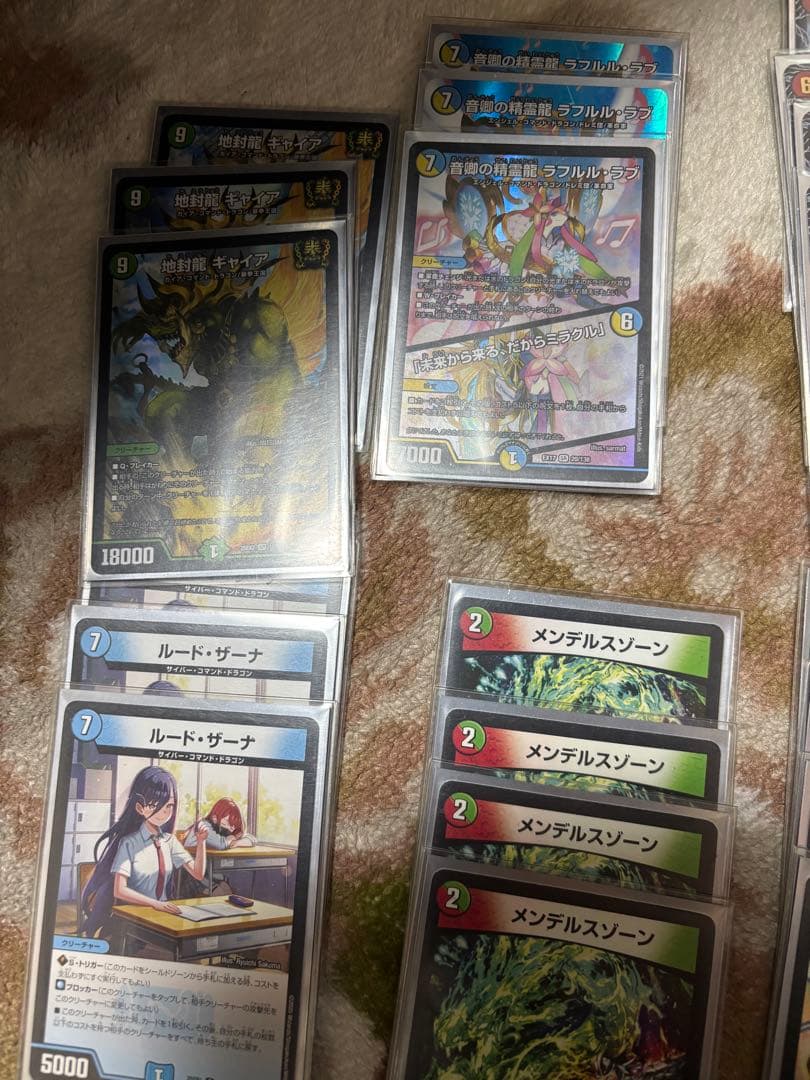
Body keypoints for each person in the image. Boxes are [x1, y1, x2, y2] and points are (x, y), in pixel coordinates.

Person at [80, 766, 208, 936]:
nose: (164, 812)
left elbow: (198, 873)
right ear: (140, 808)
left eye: (169, 805)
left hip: (161, 918)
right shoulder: (129, 843)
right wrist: (156, 904)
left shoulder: (169, 841)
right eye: (155, 805)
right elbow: (120, 890)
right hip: (132, 921)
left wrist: (201, 842)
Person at [185, 797, 255, 850]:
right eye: (228, 821)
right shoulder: (203, 825)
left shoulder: (221, 829)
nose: (232, 827)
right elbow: (220, 844)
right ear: (215, 816)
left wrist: (237, 843)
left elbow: (252, 839)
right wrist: (231, 839)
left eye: (234, 824)